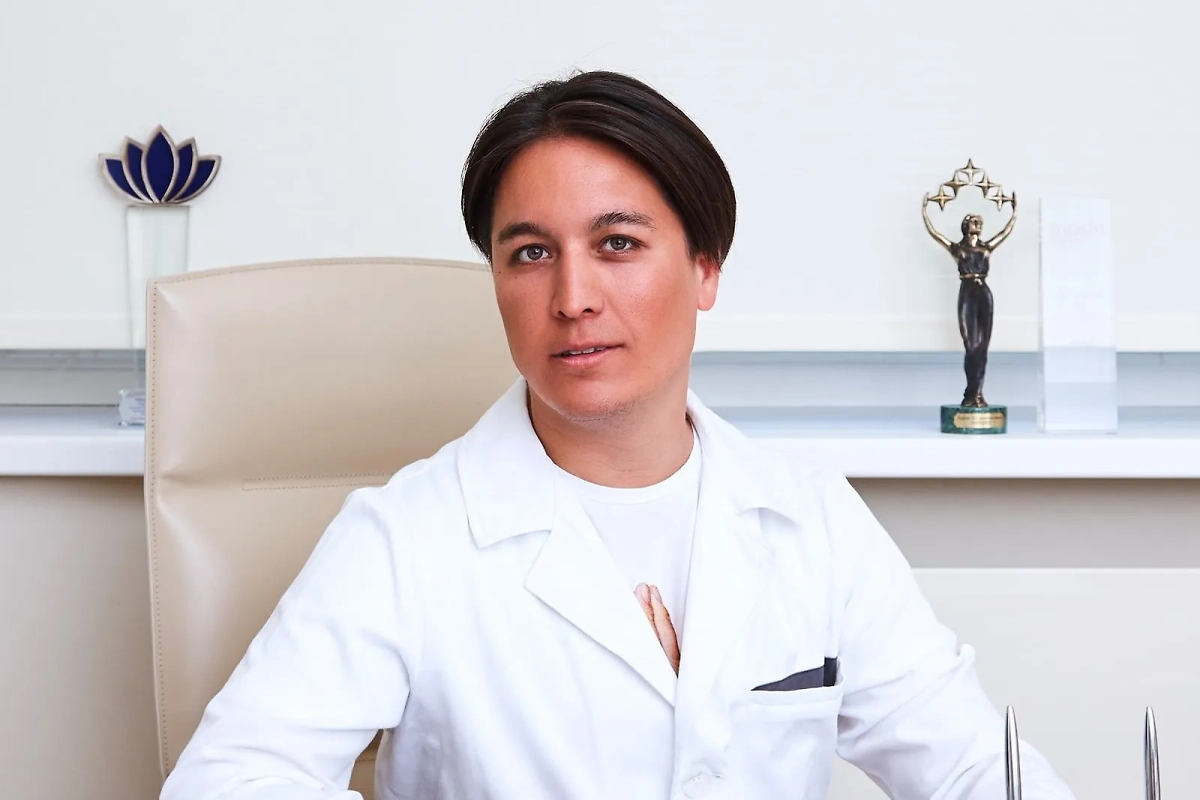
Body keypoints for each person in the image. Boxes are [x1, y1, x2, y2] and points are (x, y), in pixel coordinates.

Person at [161, 70, 1075, 799]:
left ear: (705, 268)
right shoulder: (407, 536)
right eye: (530, 254)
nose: (572, 298)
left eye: (618, 244)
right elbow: (229, 781)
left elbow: (969, 768)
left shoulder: (813, 521)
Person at [921, 198, 1018, 408]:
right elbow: (934, 234)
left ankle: (978, 393)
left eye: (980, 222)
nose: (979, 224)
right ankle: (970, 391)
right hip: (967, 293)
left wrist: (1014, 214)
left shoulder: (986, 247)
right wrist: (925, 212)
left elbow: (1004, 233)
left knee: (983, 347)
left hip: (984, 293)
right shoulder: (957, 248)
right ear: (966, 226)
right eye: (974, 221)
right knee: (971, 345)